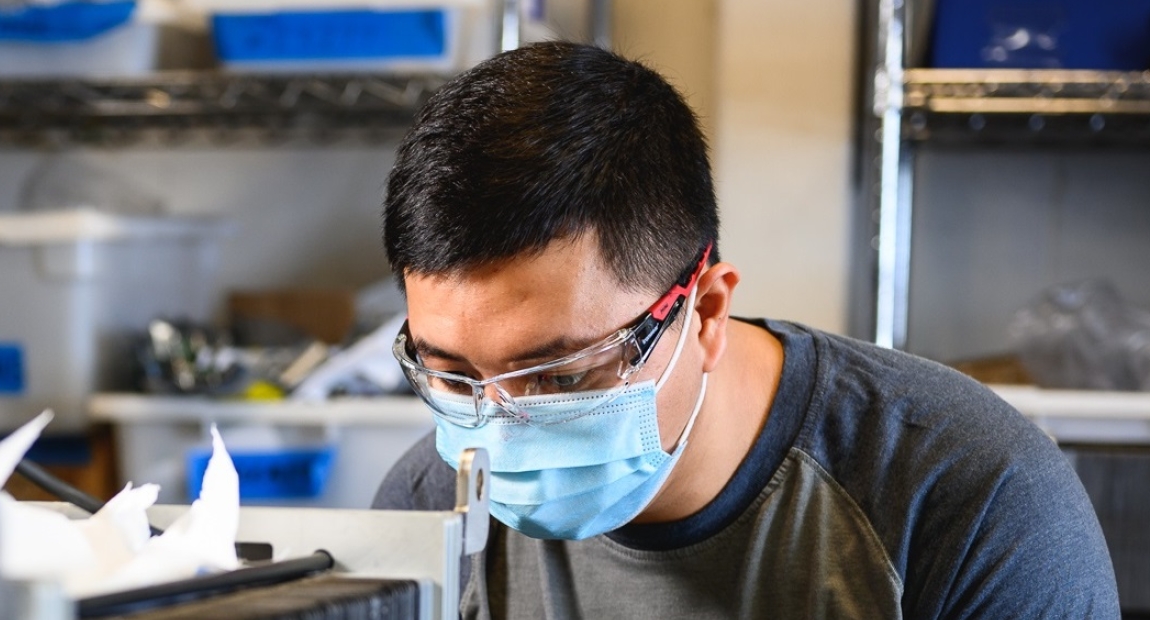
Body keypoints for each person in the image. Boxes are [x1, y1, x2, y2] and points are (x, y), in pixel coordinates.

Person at [373, 41, 1119, 619]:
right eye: (453, 376)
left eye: (563, 377)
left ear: (704, 313)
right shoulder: (430, 499)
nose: (497, 434)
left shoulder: (970, 499)